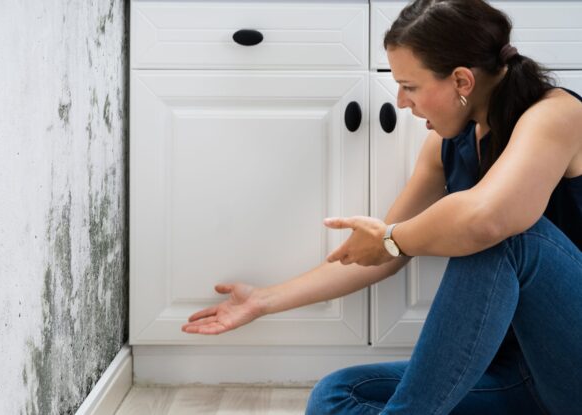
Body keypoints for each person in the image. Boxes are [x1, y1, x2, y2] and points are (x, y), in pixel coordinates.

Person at [181, 0, 582, 413]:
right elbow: (380, 252)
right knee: (337, 394)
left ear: (461, 81)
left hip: (571, 369)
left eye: (410, 85)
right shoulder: (448, 141)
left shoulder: (555, 114)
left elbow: (483, 221)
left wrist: (393, 240)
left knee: (504, 239)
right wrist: (263, 300)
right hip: (515, 375)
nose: (402, 101)